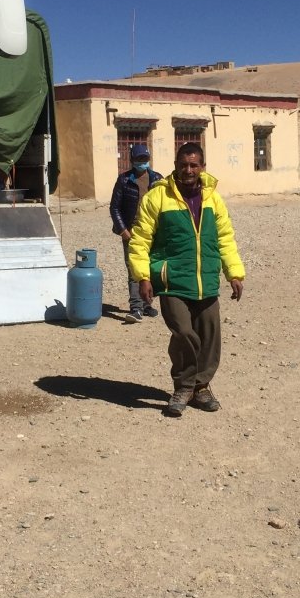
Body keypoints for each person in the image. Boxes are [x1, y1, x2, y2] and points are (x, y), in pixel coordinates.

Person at [128, 142, 245, 417]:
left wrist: (234, 273)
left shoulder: (213, 199)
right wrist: (143, 277)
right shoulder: (157, 198)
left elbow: (225, 238)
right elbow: (140, 239)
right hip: (172, 281)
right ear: (176, 166)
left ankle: (201, 387)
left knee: (210, 336)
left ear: (202, 167)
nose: (188, 170)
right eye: (183, 165)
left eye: (194, 165)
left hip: (206, 280)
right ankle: (183, 385)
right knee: (183, 333)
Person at [109, 143, 163, 321]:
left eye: (145, 159)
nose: (142, 162)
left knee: (151, 268)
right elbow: (115, 208)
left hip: (152, 231)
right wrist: (123, 230)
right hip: (132, 232)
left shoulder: (157, 179)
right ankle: (136, 307)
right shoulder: (124, 180)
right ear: (132, 160)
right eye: (139, 159)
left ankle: (147, 304)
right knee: (134, 269)